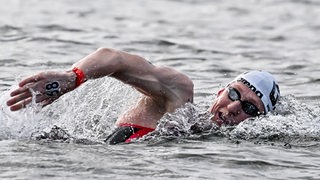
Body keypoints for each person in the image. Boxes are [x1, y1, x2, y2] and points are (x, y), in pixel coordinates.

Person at [6, 48, 280, 144]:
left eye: (250, 108)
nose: (233, 107)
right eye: (234, 93)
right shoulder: (178, 98)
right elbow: (114, 59)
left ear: (259, 120)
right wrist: (72, 77)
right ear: (222, 89)